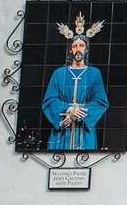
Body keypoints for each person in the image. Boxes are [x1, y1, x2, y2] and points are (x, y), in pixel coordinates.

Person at [42, 14, 109, 151]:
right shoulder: (59, 73)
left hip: (83, 126)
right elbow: (49, 100)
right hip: (63, 124)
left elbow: (100, 101)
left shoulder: (94, 73)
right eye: (75, 46)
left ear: (86, 49)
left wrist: (79, 113)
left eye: (81, 46)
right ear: (70, 50)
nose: (78, 49)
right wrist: (69, 110)